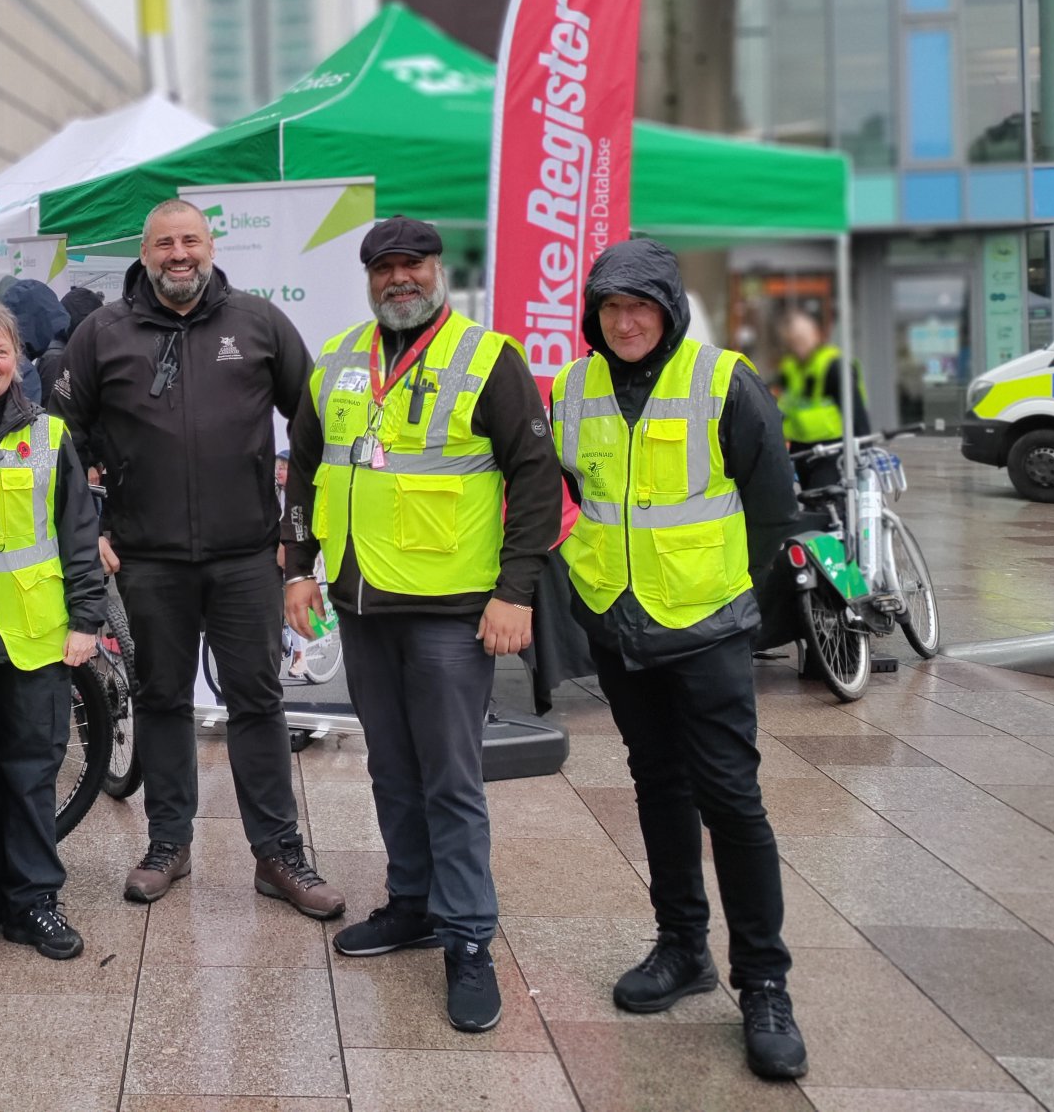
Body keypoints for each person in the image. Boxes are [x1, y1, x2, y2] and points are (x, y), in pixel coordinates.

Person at [283, 217, 563, 1033]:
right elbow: (302, 467)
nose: (399, 280)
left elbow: (536, 480)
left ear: (439, 271)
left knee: (451, 777)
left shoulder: (488, 358)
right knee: (392, 770)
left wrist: (517, 591)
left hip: (451, 611)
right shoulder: (338, 361)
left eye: (413, 266)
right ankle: (413, 903)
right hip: (364, 606)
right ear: (368, 278)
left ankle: (469, 938)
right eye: (385, 269)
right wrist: (299, 566)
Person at [549, 239, 806, 1081]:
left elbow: (773, 512)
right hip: (620, 626)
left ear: (668, 309)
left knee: (732, 799)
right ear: (593, 315)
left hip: (706, 628)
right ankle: (682, 946)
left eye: (640, 307)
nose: (624, 322)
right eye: (610, 308)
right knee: (656, 785)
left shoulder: (722, 379)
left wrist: (745, 617)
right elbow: (584, 494)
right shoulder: (572, 386)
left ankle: (764, 982)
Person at [54, 198, 342, 918]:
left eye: (189, 241)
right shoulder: (102, 334)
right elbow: (56, 441)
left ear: (210, 247)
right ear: (145, 254)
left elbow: (312, 426)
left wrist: (296, 537)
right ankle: (168, 844)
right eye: (163, 244)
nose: (177, 254)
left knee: (258, 702)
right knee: (161, 701)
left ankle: (278, 854)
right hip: (146, 558)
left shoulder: (257, 322)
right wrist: (88, 524)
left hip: (247, 555)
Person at [0, 299, 107, 960]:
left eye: (0, 352)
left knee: (34, 772)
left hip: (38, 633)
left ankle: (36, 898)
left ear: (19, 360)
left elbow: (78, 533)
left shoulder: (50, 435)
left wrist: (87, 620)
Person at [775, 310, 869, 489]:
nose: (797, 346)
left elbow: (856, 412)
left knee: (827, 503)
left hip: (831, 449)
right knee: (810, 500)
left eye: (801, 339)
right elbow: (786, 406)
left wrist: (863, 449)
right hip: (801, 449)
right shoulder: (791, 368)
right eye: (792, 341)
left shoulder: (833, 365)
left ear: (815, 335)